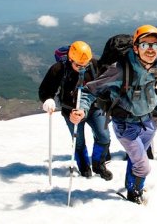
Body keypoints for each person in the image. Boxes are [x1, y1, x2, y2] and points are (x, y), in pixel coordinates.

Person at [71, 25, 157, 204]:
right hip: (126, 125)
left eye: (154, 45)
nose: (150, 49)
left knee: (136, 160)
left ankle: (131, 185)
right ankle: (135, 193)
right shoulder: (120, 69)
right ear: (135, 47)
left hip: (148, 122)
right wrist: (82, 110)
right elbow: (89, 91)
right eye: (145, 44)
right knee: (143, 165)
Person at [39, 41, 113, 180]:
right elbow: (46, 89)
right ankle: (84, 167)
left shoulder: (95, 66)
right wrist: (47, 99)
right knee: (79, 142)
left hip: (94, 108)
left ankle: (98, 164)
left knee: (104, 136)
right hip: (70, 112)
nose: (82, 68)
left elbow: (105, 86)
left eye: (85, 64)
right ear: (70, 59)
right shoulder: (59, 69)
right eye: (78, 65)